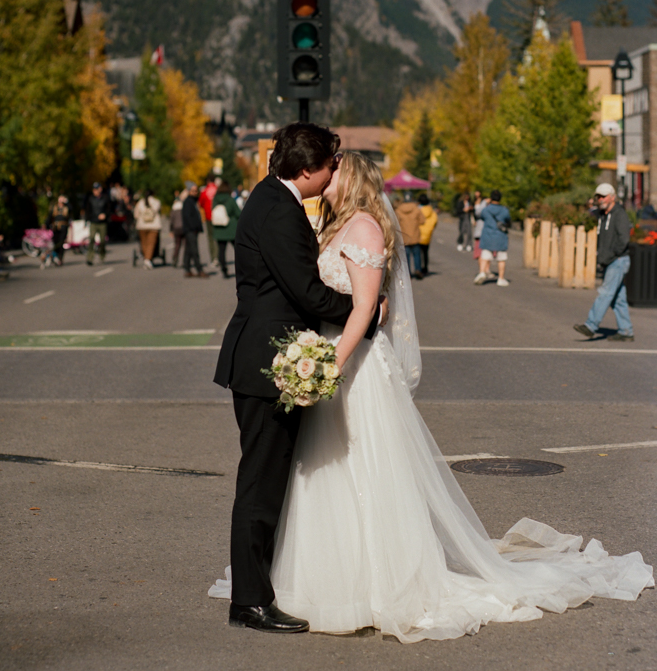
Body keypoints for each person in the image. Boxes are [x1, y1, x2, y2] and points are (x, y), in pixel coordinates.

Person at [210, 152, 653, 640]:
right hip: (327, 356)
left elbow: (363, 310)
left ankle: (373, 583)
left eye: (335, 171)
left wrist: (331, 368)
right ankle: (314, 577)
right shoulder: (333, 226)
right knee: (320, 475)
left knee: (362, 470)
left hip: (352, 368)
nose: (327, 178)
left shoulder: (365, 229)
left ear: (349, 178)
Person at [213, 123, 385, 634]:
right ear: (307, 170)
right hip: (268, 362)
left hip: (264, 356)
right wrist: (366, 313)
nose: (335, 171)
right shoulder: (280, 212)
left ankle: (257, 587)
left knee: (265, 479)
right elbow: (308, 294)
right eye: (330, 164)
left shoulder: (271, 198)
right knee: (261, 483)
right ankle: (249, 601)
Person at [574, 183, 634, 341]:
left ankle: (591, 325)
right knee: (618, 299)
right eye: (598, 196)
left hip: (618, 260)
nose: (601, 199)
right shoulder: (602, 214)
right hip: (611, 260)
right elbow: (589, 213)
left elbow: (624, 239)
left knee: (606, 293)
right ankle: (626, 331)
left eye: (604, 196)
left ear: (613, 197)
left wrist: (611, 255)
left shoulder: (619, 214)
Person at [474, 189, 511, 286]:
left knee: (485, 256)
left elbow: (480, 216)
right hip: (500, 236)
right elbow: (508, 220)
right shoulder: (504, 210)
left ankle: (482, 272)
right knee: (501, 258)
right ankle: (501, 278)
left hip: (487, 235)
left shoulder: (486, 210)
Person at [211, 180, 242, 279]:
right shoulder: (230, 199)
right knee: (238, 250)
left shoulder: (215, 199)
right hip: (231, 229)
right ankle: (241, 269)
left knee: (221, 251)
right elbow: (238, 213)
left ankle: (224, 269)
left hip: (219, 229)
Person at [394, 192, 423, 279]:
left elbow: (396, 223)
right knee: (417, 254)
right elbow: (422, 220)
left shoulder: (398, 210)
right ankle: (418, 269)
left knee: (406, 257)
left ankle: (408, 273)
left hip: (405, 237)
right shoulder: (416, 209)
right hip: (415, 235)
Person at [182, 184, 207, 278]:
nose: (195, 193)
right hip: (190, 230)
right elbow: (188, 217)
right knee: (194, 250)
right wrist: (194, 228)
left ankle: (187, 268)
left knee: (188, 250)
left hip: (192, 230)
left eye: (196, 191)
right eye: (193, 191)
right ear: (189, 191)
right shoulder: (188, 202)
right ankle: (199, 269)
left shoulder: (193, 201)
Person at [133, 189, 162, 270]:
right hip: (154, 226)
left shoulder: (140, 203)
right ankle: (148, 260)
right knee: (151, 244)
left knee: (144, 244)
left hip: (142, 226)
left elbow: (136, 215)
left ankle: (146, 258)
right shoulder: (156, 202)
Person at [85, 182, 110, 265]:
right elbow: (87, 210)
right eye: (94, 189)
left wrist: (105, 215)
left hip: (102, 223)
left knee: (102, 241)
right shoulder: (90, 199)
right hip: (93, 222)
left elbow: (109, 209)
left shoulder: (105, 198)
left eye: (96, 189)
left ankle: (102, 254)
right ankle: (90, 258)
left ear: (100, 189)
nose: (95, 191)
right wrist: (87, 220)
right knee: (91, 239)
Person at [198, 176, 219, 267]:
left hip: (208, 216)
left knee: (210, 238)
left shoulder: (205, 191)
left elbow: (201, 203)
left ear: (207, 181)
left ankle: (213, 258)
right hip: (218, 217)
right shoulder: (218, 190)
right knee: (218, 238)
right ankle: (219, 257)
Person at [46, 195, 70, 266]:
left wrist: (66, 202)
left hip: (63, 228)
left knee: (61, 244)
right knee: (55, 243)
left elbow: (71, 209)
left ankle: (60, 259)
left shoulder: (67, 207)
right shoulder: (55, 207)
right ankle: (55, 258)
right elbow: (50, 216)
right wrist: (46, 224)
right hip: (55, 228)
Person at [417, 193, 437, 276]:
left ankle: (418, 269)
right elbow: (435, 221)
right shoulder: (431, 211)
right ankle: (425, 268)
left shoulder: (417, 210)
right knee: (425, 253)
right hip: (427, 235)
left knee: (417, 253)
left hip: (418, 234)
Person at [169, 190, 186, 267]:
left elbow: (171, 221)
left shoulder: (173, 210)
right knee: (185, 245)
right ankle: (185, 260)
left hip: (176, 229)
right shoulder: (183, 209)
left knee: (177, 245)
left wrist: (171, 230)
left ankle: (175, 259)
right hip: (184, 228)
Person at [472, 190, 487, 260]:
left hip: (482, 224)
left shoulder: (483, 202)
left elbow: (479, 212)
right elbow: (474, 213)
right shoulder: (474, 200)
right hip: (477, 223)